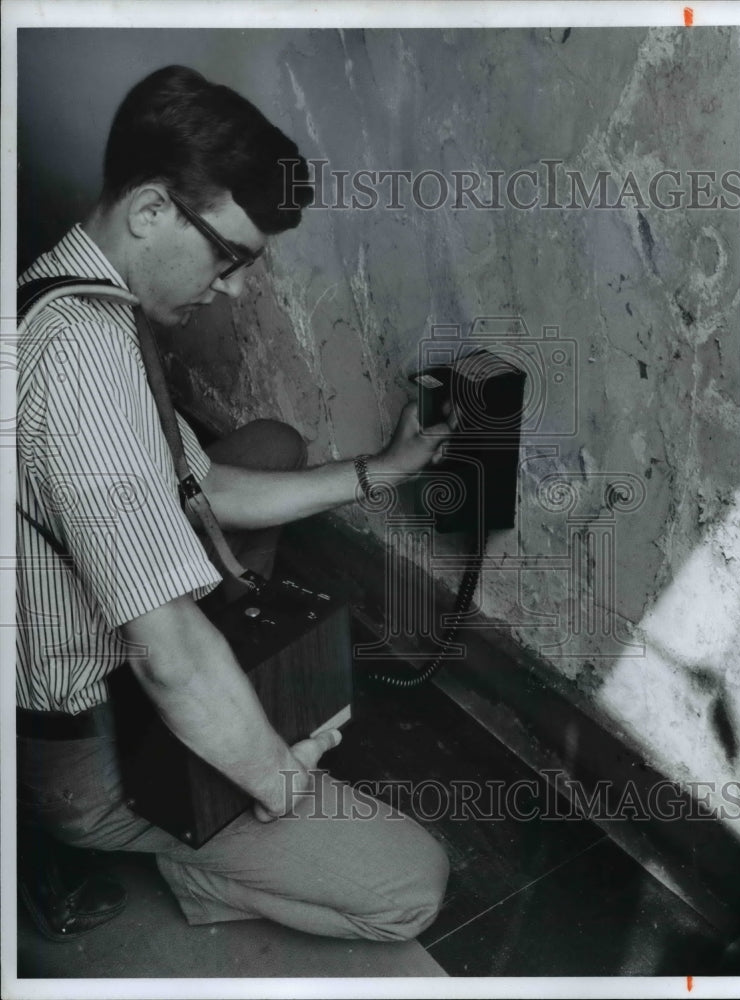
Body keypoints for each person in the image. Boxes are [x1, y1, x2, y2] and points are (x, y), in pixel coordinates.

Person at [16, 64, 451, 943]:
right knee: (411, 888)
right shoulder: (82, 367)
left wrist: (383, 469)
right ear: (150, 211)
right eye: (231, 256)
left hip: (72, 652)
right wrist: (280, 780)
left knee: (268, 446)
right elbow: (167, 655)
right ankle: (172, 860)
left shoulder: (69, 301)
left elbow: (204, 485)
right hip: (92, 751)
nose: (237, 287)